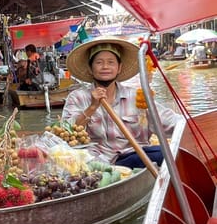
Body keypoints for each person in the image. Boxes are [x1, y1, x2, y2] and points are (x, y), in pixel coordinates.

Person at [62, 36, 177, 167]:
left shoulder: (136, 96)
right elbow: (66, 134)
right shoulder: (77, 97)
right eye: (99, 62)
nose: (105, 67)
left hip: (135, 156)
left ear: (119, 67)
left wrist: (189, 125)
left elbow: (167, 120)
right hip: (98, 163)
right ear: (90, 68)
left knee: (169, 153)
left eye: (111, 62)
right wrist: (92, 107)